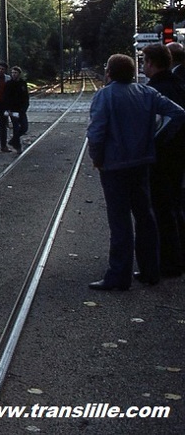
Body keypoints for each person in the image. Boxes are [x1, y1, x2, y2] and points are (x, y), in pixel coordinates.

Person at [86, 53, 185, 291]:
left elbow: (97, 132)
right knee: (145, 217)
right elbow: (179, 113)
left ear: (109, 73)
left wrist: (97, 157)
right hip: (141, 163)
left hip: (114, 165)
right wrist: (156, 140)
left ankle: (119, 275)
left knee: (119, 221)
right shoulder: (147, 93)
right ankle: (151, 270)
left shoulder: (104, 96)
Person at [141, 44, 185, 277]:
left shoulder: (157, 90)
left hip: (162, 158)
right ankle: (178, 257)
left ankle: (167, 262)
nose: (142, 66)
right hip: (178, 157)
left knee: (161, 209)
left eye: (144, 61)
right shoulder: (178, 83)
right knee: (176, 206)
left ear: (151, 63)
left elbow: (160, 122)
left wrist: (155, 143)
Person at [4, 65, 30, 152]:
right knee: (16, 127)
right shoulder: (8, 84)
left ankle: (13, 140)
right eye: (12, 73)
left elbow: (26, 97)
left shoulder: (23, 83)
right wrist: (8, 108)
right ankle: (17, 146)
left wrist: (25, 107)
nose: (14, 74)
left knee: (24, 127)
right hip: (13, 109)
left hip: (21, 109)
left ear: (19, 74)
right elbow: (6, 97)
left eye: (15, 73)